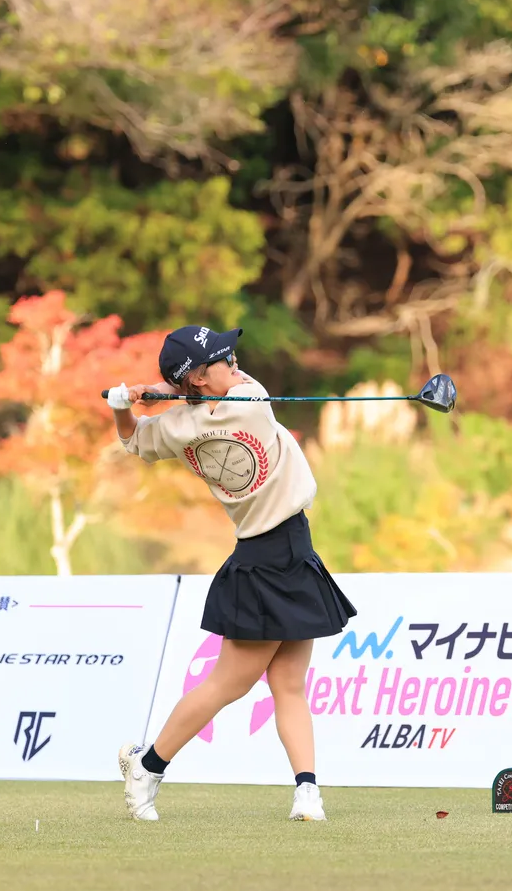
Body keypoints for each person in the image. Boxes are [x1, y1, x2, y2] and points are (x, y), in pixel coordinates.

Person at [106, 325, 356, 822]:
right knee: (228, 684)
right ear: (200, 376)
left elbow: (132, 438)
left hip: (289, 551)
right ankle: (147, 767)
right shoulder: (251, 401)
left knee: (289, 685)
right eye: (225, 358)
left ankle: (307, 793)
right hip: (269, 558)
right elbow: (221, 392)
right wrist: (168, 392)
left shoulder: (178, 427)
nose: (236, 362)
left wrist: (124, 404)